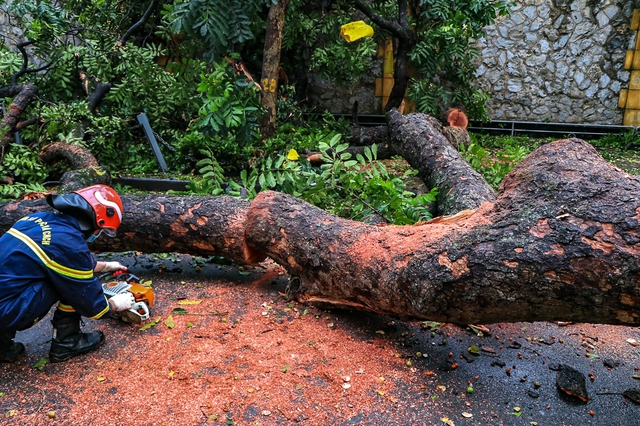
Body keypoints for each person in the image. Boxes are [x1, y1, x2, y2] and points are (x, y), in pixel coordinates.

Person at [0, 184, 136, 363]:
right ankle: (68, 341)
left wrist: (105, 266)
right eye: (101, 231)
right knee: (71, 284)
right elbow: (91, 303)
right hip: (5, 309)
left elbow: (57, 256)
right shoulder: (68, 243)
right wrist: (115, 304)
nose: (98, 234)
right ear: (96, 221)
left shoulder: (36, 219)